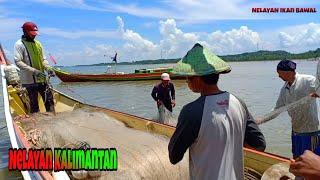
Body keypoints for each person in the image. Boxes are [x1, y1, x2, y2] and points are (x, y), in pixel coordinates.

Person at [168, 43, 266, 180]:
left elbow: (174, 156)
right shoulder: (238, 103)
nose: (186, 81)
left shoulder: (191, 111)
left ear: (197, 78)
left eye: (188, 77)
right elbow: (259, 144)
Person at [256, 59, 320, 158]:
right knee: (297, 158)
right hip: (296, 131)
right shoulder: (284, 89)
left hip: (311, 131)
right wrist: (261, 120)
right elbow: (277, 110)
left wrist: (318, 94)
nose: (278, 76)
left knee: (312, 159)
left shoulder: (308, 80)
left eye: (279, 73)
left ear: (287, 72)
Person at [14, 22, 55, 113]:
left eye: (35, 34)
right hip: (29, 81)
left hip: (42, 79)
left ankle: (53, 120)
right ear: (25, 32)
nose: (34, 36)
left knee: (49, 101)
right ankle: (39, 125)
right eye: (32, 34)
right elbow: (18, 62)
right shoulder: (19, 44)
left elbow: (43, 59)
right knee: (34, 106)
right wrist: (34, 71)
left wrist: (48, 68)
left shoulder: (38, 44)